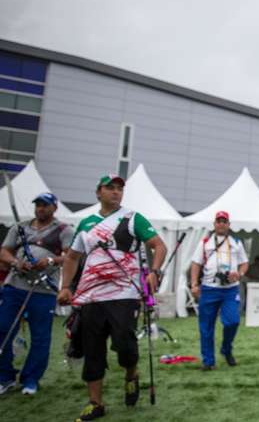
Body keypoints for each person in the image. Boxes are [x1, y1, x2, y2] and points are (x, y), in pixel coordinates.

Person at [57, 174, 167, 421]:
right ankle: (95, 403)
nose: (116, 192)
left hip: (124, 293)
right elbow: (72, 257)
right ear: (99, 193)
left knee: (125, 345)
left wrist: (155, 272)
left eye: (119, 189)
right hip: (91, 295)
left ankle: (131, 375)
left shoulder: (132, 218)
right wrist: (65, 287)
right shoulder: (86, 223)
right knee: (92, 349)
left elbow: (158, 245)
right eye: (110, 188)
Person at [0, 192, 73, 396]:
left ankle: (31, 379)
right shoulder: (20, 227)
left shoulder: (63, 230)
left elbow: (71, 256)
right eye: (38, 204)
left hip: (42, 290)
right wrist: (16, 262)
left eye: (45, 205)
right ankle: (5, 377)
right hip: (15, 286)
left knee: (40, 337)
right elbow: (4, 252)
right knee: (2, 328)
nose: (40, 208)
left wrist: (49, 261)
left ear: (54, 208)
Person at [190, 211, 248, 370]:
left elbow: (244, 263)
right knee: (206, 326)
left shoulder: (236, 242)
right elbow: (196, 263)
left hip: (230, 289)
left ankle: (226, 348)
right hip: (209, 288)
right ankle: (208, 361)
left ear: (229, 225)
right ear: (214, 224)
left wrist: (240, 273)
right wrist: (194, 284)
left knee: (233, 321)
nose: (221, 224)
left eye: (224, 221)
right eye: (218, 221)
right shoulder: (205, 242)